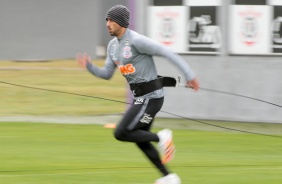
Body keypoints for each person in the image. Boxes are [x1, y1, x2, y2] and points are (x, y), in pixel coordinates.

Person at [76, 4, 199, 184]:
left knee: (121, 132)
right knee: (140, 139)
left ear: (121, 22)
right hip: (140, 99)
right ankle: (169, 177)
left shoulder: (136, 40)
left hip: (152, 98)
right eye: (106, 20)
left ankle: (162, 137)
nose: (107, 24)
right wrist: (89, 66)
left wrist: (189, 75)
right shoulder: (112, 47)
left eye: (111, 20)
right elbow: (106, 74)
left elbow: (166, 52)